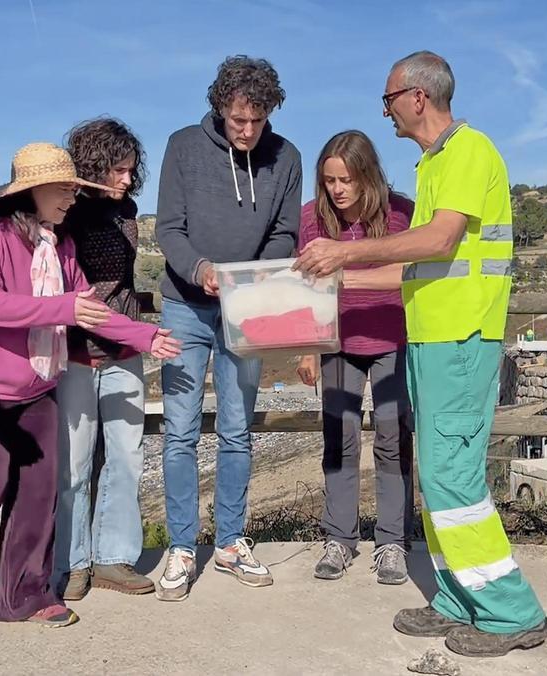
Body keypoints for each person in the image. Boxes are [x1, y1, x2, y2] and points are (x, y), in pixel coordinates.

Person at [295, 51, 547, 657]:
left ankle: (511, 610)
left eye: (387, 99)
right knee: (434, 477)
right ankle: (460, 598)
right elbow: (417, 266)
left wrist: (344, 255)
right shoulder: (435, 162)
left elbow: (438, 239)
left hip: (462, 339)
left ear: (416, 96)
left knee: (451, 474)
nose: (384, 110)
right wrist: (334, 279)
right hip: (434, 339)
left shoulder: (468, 151)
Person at [0, 143, 180, 628]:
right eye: (66, 188)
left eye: (76, 188)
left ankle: (21, 596)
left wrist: (146, 336)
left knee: (38, 493)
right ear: (33, 190)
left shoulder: (59, 243)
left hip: (36, 386)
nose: (73, 197)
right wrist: (65, 309)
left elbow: (87, 308)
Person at [154, 55, 303, 601]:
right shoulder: (182, 147)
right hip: (184, 308)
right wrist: (199, 269)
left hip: (248, 309)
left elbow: (286, 233)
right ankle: (181, 546)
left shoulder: (287, 157)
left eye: (257, 122)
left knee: (238, 429)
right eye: (238, 120)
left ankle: (232, 542)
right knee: (180, 432)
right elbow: (168, 229)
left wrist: (247, 279)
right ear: (219, 108)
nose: (246, 131)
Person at [294, 130, 415, 585]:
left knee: (392, 439)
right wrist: (308, 346)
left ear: (368, 175)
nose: (337, 190)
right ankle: (339, 540)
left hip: (392, 341)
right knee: (338, 443)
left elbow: (407, 274)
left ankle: (391, 543)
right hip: (336, 345)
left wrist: (343, 276)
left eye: (346, 179)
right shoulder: (311, 219)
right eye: (329, 181)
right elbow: (306, 285)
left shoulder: (402, 212)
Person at [53, 119, 155, 600]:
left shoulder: (127, 209)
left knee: (126, 456)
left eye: (132, 170)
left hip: (124, 348)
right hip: (74, 351)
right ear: (93, 168)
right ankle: (73, 563)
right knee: (72, 465)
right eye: (118, 170)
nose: (127, 179)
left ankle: (113, 557)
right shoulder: (64, 215)